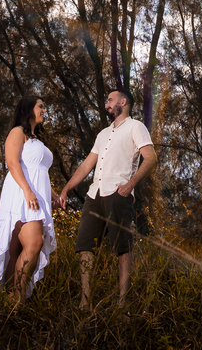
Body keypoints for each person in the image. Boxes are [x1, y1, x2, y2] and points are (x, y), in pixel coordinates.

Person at [57, 89, 156, 308]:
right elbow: (85, 166)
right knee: (84, 245)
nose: (107, 104)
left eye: (110, 100)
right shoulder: (102, 134)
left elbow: (151, 158)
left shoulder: (135, 126)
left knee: (123, 247)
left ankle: (122, 304)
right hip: (95, 194)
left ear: (123, 102)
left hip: (118, 193)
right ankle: (85, 302)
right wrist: (65, 190)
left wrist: (130, 184)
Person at [0, 95, 56, 301]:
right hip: (21, 193)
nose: (43, 110)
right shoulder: (18, 132)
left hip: (35, 195)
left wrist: (54, 196)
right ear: (28, 109)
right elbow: (12, 163)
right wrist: (27, 190)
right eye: (40, 106)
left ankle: (5, 301)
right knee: (34, 243)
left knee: (16, 249)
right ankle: (17, 298)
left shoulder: (36, 138)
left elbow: (40, 172)